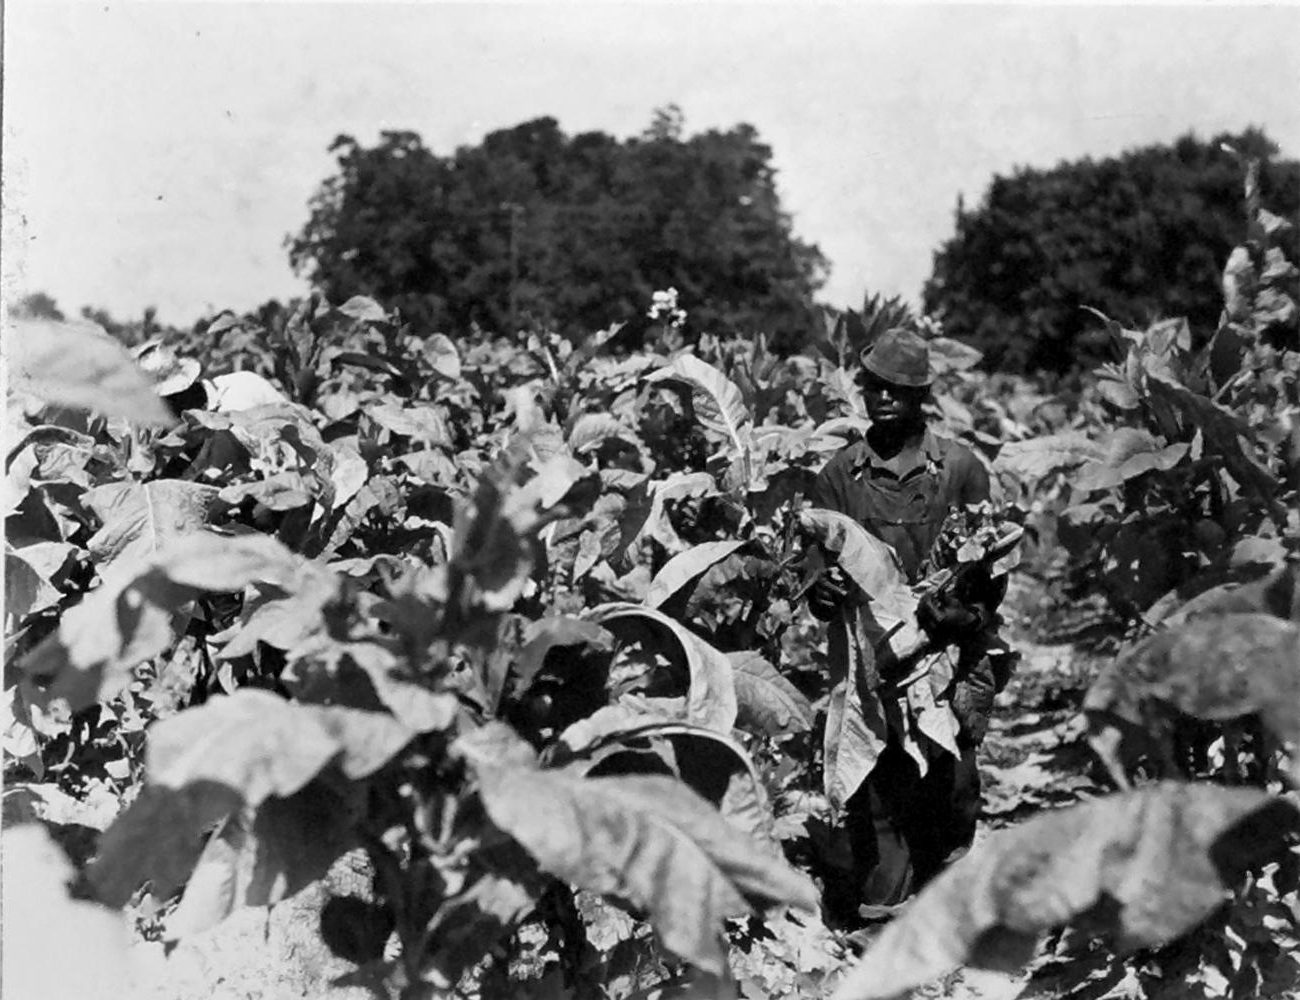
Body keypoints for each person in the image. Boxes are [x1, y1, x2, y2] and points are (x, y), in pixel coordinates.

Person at [806, 325, 1015, 922]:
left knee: (952, 780)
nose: (884, 398)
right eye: (874, 387)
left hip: (949, 644)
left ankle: (945, 892)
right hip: (875, 651)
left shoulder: (960, 468)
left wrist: (968, 611)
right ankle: (884, 904)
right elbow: (819, 556)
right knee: (878, 782)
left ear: (922, 395)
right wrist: (821, 588)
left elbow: (992, 561)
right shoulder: (840, 475)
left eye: (899, 389)